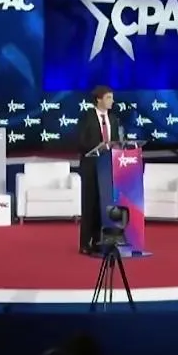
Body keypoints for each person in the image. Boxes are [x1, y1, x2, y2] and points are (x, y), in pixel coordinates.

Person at [76, 85, 121, 254]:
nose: (112, 101)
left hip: (107, 168)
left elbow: (116, 141)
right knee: (90, 205)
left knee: (103, 205)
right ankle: (84, 243)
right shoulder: (86, 117)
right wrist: (99, 146)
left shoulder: (114, 119)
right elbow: (80, 141)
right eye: (109, 98)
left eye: (112, 98)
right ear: (99, 99)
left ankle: (98, 240)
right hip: (90, 167)